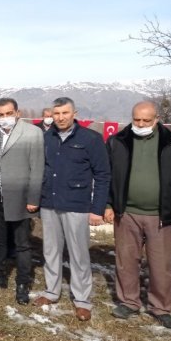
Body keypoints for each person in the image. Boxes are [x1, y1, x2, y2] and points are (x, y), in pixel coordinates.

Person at [105, 101, 171, 330]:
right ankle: (129, 301)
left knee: (161, 264)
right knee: (126, 260)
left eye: (146, 121)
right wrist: (109, 204)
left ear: (156, 119)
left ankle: (161, 307)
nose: (140, 124)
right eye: (136, 120)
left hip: (162, 215)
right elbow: (108, 177)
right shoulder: (117, 142)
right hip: (126, 213)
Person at [33, 97, 110, 322]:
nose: (60, 118)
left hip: (77, 204)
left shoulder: (91, 139)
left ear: (74, 113)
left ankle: (82, 299)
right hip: (50, 203)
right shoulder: (46, 138)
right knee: (51, 250)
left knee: (79, 254)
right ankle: (51, 291)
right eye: (56, 114)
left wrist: (97, 209)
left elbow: (103, 175)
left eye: (65, 113)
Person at [0, 98, 44, 305]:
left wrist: (33, 198)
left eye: (8, 113)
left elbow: (37, 168)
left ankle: (22, 283)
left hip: (20, 197)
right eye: (1, 114)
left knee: (22, 244)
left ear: (17, 112)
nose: (4, 118)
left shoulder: (33, 133)